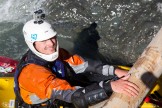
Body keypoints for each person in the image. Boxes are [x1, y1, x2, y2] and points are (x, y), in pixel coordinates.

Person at [14, 10, 139, 108]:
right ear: (32, 44)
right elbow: (74, 96)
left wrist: (115, 71)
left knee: (106, 78)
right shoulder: (32, 75)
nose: (51, 44)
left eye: (52, 38)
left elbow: (86, 65)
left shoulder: (57, 53)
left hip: (61, 91)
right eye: (43, 41)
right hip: (49, 104)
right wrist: (111, 86)